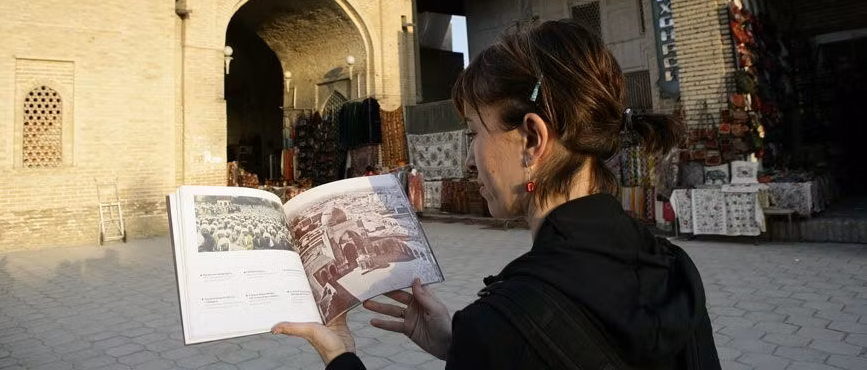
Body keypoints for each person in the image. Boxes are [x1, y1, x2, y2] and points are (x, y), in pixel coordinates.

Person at [273, 20, 720, 369]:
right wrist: (460, 347)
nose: (470, 159)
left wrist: (341, 354)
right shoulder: (674, 268)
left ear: (532, 139)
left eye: (474, 132)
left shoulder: (505, 323)